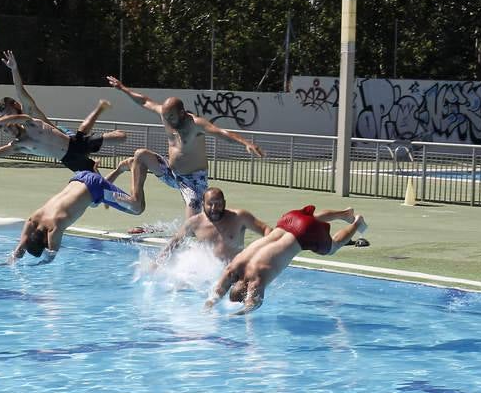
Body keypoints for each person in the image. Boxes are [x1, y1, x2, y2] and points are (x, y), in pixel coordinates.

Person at [106, 76, 264, 217]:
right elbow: (145, 101)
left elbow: (221, 132)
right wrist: (122, 88)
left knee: (192, 224)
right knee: (141, 154)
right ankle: (136, 201)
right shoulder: (166, 115)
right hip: (170, 172)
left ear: (182, 113)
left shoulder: (196, 124)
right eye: (166, 117)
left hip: (193, 180)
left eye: (172, 117)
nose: (169, 120)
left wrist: (246, 143)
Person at [205, 206, 367, 314]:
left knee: (333, 247)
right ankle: (344, 214)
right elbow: (219, 288)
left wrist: (234, 316)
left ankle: (357, 223)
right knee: (310, 218)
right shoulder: (234, 267)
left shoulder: (255, 280)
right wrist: (209, 305)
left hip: (304, 234)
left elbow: (252, 305)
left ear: (246, 290)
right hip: (289, 220)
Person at [7, 160, 145, 264]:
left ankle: (135, 167)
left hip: (94, 186)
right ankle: (119, 169)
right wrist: (11, 261)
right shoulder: (33, 219)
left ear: (45, 239)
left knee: (137, 208)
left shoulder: (54, 228)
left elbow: (51, 255)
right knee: (94, 203)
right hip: (79, 178)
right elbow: (22, 244)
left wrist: (39, 264)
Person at [0, 99, 121, 172]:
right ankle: (100, 166)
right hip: (70, 160)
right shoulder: (17, 146)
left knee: (121, 137)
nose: (9, 130)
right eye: (5, 130)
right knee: (99, 191)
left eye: (8, 126)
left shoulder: (29, 122)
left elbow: (17, 117)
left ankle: (100, 108)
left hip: (75, 144)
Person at [155, 187, 272, 265]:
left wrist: (266, 253)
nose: (214, 209)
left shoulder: (239, 217)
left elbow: (266, 230)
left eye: (218, 204)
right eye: (210, 204)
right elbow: (175, 241)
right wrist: (157, 263)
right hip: (208, 276)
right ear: (203, 204)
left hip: (234, 273)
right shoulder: (194, 223)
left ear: (224, 204)